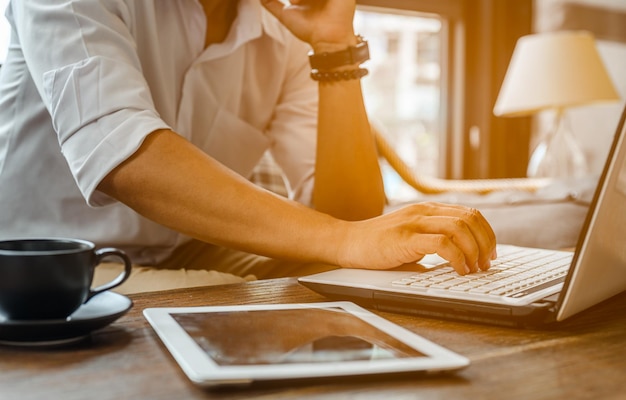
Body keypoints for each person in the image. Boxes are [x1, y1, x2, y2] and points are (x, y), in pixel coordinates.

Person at [0, 0, 496, 284]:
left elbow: (351, 216)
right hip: (42, 264)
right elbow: (123, 153)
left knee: (379, 276)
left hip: (190, 255)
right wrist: (345, 239)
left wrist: (333, 48)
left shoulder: (281, 31)